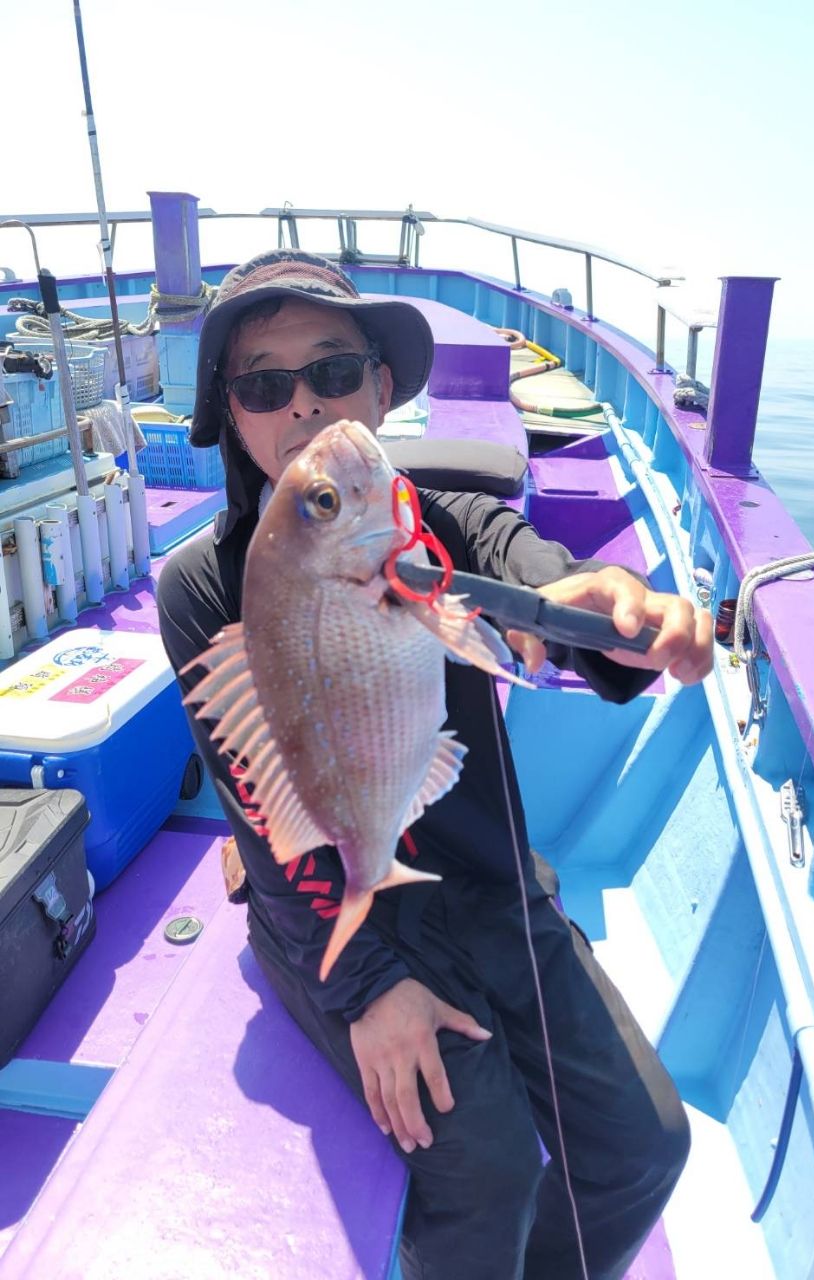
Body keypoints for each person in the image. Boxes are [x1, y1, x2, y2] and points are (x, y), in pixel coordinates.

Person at [157, 249, 714, 1280]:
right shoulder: (201, 584)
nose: (305, 406)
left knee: (647, 1143)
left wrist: (609, 611)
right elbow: (259, 819)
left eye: (332, 371)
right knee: (486, 1165)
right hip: (324, 906)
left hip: (492, 890)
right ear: (233, 414)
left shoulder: (440, 525)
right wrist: (368, 985)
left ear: (379, 385)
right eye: (265, 385)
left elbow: (534, 571)